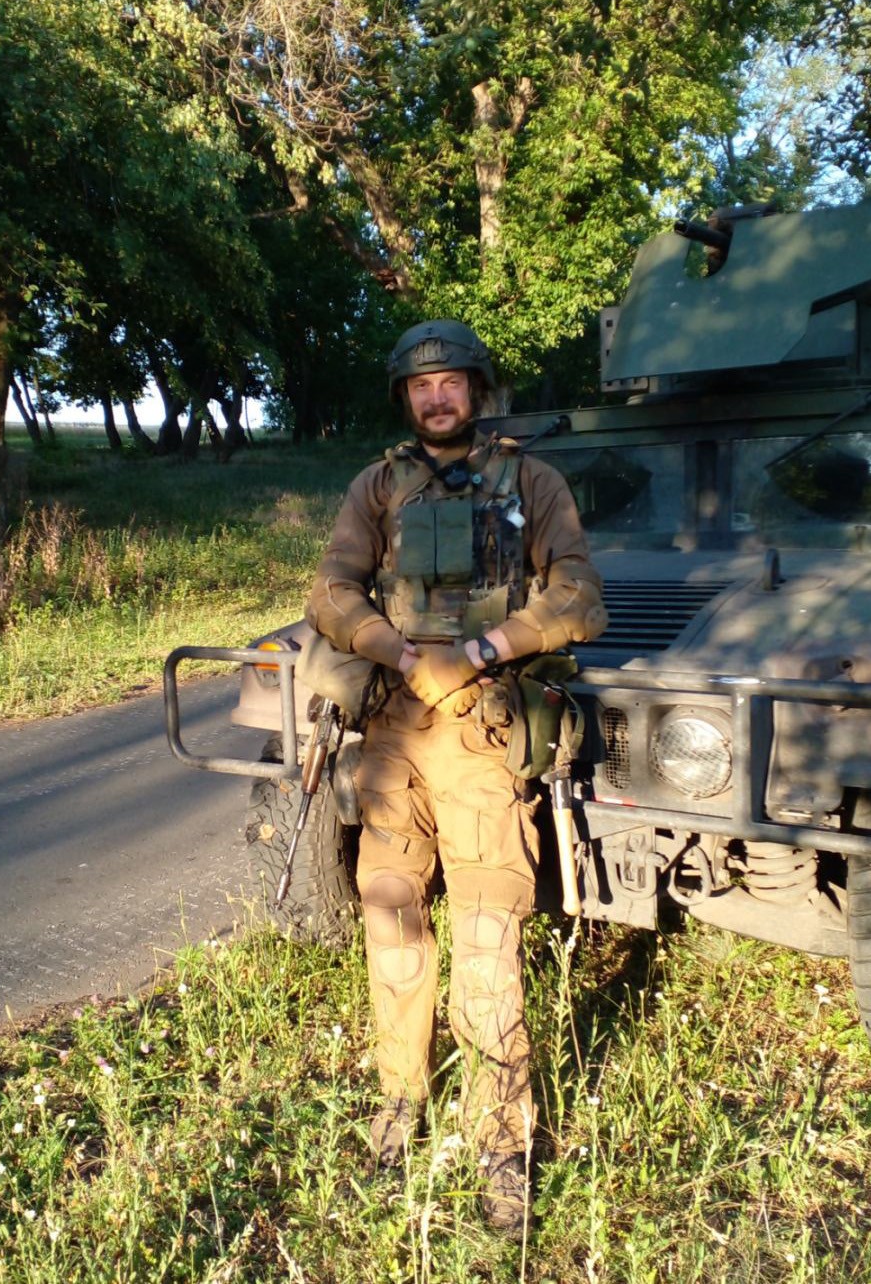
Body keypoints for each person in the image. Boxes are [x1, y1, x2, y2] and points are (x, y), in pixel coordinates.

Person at [305, 319, 606, 1232]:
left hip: (480, 736)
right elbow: (329, 591)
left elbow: (579, 597)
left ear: (476, 388)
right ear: (404, 398)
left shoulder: (532, 480)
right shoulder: (379, 485)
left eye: (450, 383)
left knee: (484, 937)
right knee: (391, 916)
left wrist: (479, 650)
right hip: (394, 736)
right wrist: (393, 648)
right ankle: (401, 1103)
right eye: (418, 386)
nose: (435, 397)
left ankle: (499, 1139)